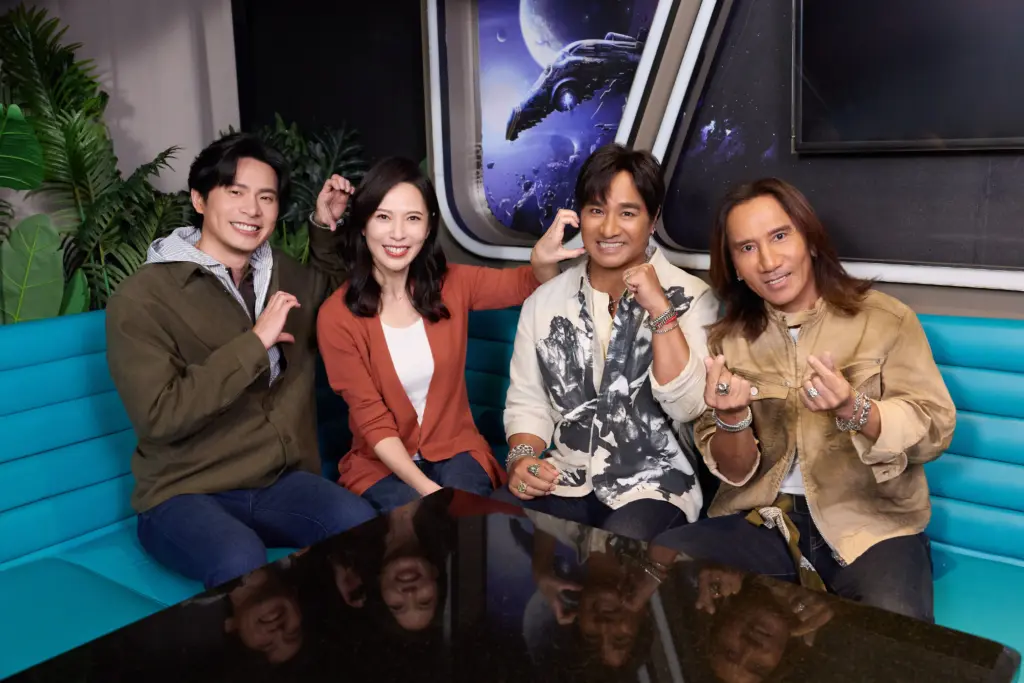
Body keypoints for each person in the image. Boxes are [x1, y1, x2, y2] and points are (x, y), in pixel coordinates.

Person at [654, 178, 956, 622]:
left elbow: (934, 430)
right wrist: (733, 418)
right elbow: (733, 472)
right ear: (734, 265)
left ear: (810, 241)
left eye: (780, 236)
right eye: (747, 247)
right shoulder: (726, 341)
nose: (769, 261)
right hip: (762, 521)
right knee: (663, 565)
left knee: (897, 632)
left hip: (873, 524)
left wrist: (855, 410)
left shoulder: (886, 320)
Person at [105, 132, 376, 589]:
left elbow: (334, 304)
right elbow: (160, 416)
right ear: (199, 199)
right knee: (241, 560)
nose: (252, 209)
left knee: (362, 527)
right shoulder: (141, 298)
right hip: (183, 490)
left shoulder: (279, 272)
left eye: (266, 197)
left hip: (276, 482)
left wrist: (323, 226)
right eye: (235, 192)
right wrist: (254, 343)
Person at [316, 157, 582, 512]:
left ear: (428, 227)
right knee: (419, 523)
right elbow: (373, 422)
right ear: (363, 225)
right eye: (383, 217)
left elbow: (527, 284)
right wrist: (429, 491)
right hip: (379, 466)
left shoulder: (451, 284)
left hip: (456, 450)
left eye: (412, 218)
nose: (398, 233)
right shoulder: (336, 317)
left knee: (468, 520)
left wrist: (543, 260)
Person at [496, 143, 719, 541]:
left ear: (653, 220)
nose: (609, 229)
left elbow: (688, 407)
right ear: (580, 215)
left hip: (656, 482)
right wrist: (522, 458)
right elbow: (528, 403)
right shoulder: (544, 302)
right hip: (567, 475)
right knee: (495, 520)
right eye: (596, 211)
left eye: (628, 213)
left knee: (618, 546)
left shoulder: (691, 297)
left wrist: (660, 310)